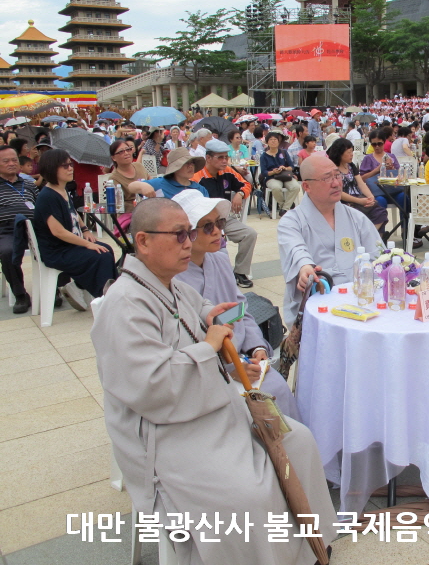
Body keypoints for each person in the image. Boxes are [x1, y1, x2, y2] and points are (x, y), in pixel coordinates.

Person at [91, 198, 337, 564]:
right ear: (143, 241)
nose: (188, 243)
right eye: (179, 235)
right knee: (248, 493)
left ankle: (308, 546)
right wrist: (208, 347)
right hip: (168, 429)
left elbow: (199, 307)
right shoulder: (124, 304)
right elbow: (152, 386)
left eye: (189, 234)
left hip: (209, 403)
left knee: (298, 441)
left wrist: (212, 317)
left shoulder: (167, 283)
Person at [172, 189, 299, 419]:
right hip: (204, 371)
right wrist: (229, 371)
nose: (218, 231)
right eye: (207, 227)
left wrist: (257, 348)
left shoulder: (219, 260)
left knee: (278, 388)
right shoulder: (173, 278)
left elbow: (241, 311)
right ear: (186, 233)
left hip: (241, 356)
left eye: (219, 223)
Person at [278, 152, 384, 323]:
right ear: (307, 186)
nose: (336, 183)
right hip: (319, 302)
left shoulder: (356, 217)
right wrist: (305, 267)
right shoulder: (291, 221)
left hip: (360, 300)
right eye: (327, 178)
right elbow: (296, 250)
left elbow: (379, 257)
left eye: (337, 175)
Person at [32, 149, 116, 310]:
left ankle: (93, 290)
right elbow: (58, 231)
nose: (70, 168)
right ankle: (105, 299)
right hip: (57, 251)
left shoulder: (62, 190)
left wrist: (85, 230)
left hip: (68, 246)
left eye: (70, 164)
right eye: (65, 166)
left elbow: (74, 213)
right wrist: (87, 244)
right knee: (100, 255)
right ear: (52, 169)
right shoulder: (47, 196)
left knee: (106, 249)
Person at [191, 139, 257, 289]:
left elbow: (247, 184)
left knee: (249, 234)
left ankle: (240, 272)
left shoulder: (227, 171)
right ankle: (217, 275)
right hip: (205, 222)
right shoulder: (197, 177)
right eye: (220, 157)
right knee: (217, 240)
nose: (224, 161)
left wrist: (240, 194)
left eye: (226, 157)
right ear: (208, 158)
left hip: (224, 218)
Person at [0, 145, 37, 313]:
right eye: (6, 161)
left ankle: (55, 289)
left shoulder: (29, 184)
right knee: (7, 252)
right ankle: (20, 294)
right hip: (7, 229)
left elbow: (41, 205)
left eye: (14, 160)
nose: (11, 163)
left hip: (33, 227)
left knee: (57, 243)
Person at [327, 138, 388, 234]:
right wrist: (359, 201)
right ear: (340, 153)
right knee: (359, 215)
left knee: (380, 212)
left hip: (359, 198)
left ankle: (370, 237)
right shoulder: (333, 169)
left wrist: (370, 197)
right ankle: (368, 237)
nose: (352, 154)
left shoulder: (351, 165)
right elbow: (338, 192)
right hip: (345, 202)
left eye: (352, 151)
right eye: (349, 152)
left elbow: (361, 183)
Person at [130, 148, 209, 199]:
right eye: (186, 163)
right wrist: (143, 186)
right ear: (175, 168)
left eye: (192, 163)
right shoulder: (162, 183)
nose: (190, 166)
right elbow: (131, 186)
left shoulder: (200, 189)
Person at [109, 139, 150, 229]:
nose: (126, 153)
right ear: (114, 158)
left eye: (128, 149)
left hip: (148, 208)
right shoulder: (114, 178)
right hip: (130, 215)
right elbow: (118, 205)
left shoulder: (139, 166)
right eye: (121, 152)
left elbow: (151, 182)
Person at [259, 130, 302, 217]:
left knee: (296, 187)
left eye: (275, 139)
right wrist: (273, 172)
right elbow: (264, 172)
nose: (273, 141)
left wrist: (284, 168)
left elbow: (291, 167)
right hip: (272, 177)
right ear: (267, 142)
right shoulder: (264, 156)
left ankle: (284, 209)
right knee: (276, 187)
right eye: (271, 139)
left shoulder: (284, 152)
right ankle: (286, 206)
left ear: (279, 141)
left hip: (285, 175)